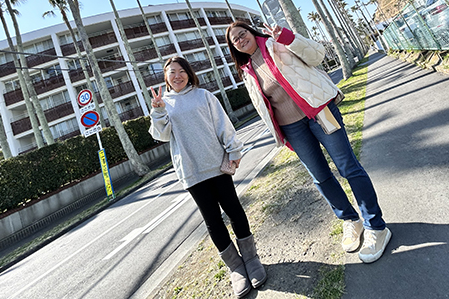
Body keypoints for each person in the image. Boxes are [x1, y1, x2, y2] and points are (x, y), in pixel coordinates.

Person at [225, 21, 392, 264]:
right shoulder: (247, 71)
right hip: (293, 128)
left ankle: (376, 226)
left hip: (320, 112)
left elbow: (316, 55)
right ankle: (350, 220)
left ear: (252, 32)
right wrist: (280, 134)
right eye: (236, 40)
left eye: (243, 34)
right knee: (320, 177)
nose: (241, 40)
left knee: (348, 167)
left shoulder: (276, 43)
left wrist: (288, 38)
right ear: (233, 47)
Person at [149, 56, 266, 297]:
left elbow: (223, 124)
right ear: (166, 77)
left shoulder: (203, 96)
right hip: (191, 171)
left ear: (189, 74)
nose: (178, 76)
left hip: (216, 164)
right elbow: (161, 135)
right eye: (172, 72)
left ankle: (251, 259)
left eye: (182, 71)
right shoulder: (163, 103)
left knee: (234, 209)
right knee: (212, 220)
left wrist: (234, 150)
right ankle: (236, 268)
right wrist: (158, 111)